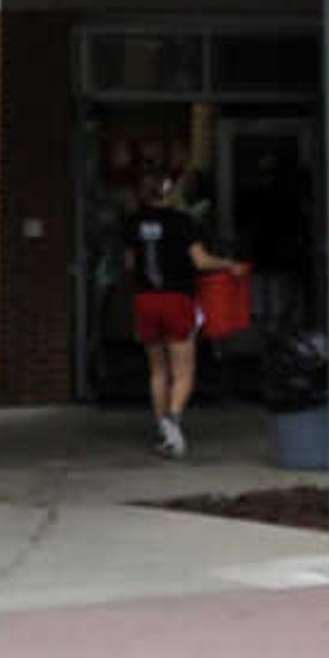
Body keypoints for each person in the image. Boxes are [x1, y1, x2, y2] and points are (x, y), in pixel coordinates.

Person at [124, 166, 227, 459]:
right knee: (184, 371)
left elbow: (129, 264)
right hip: (177, 298)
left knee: (157, 370)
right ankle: (173, 421)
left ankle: (163, 430)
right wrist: (228, 265)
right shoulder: (183, 222)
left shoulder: (134, 222)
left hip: (146, 299)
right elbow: (201, 261)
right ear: (171, 192)